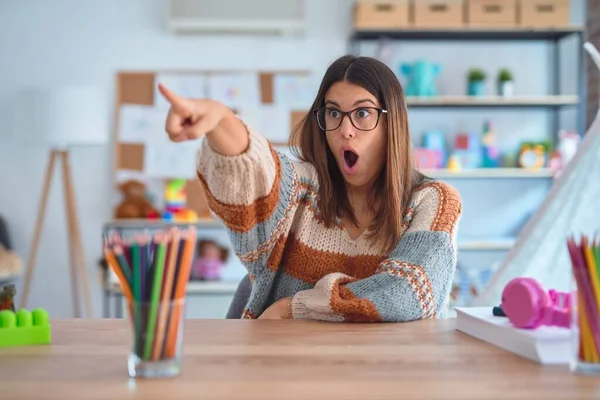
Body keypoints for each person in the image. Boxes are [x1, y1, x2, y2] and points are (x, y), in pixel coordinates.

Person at [158, 55, 462, 322]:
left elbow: (406, 293)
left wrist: (295, 308)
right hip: (283, 376)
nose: (345, 130)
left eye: (363, 113)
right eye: (333, 113)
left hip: (384, 379)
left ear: (391, 122)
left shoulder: (432, 201)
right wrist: (220, 119)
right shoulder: (302, 189)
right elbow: (257, 175)